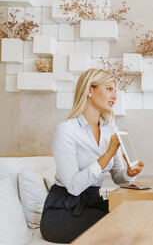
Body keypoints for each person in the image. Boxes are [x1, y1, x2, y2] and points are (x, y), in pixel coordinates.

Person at [40, 68, 144, 243]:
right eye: (109, 89)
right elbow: (73, 187)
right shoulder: (66, 130)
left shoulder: (110, 129)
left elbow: (117, 176)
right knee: (121, 227)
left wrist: (128, 173)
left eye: (115, 91)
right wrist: (109, 152)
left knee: (138, 215)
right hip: (63, 211)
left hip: (92, 203)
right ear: (90, 90)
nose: (115, 96)